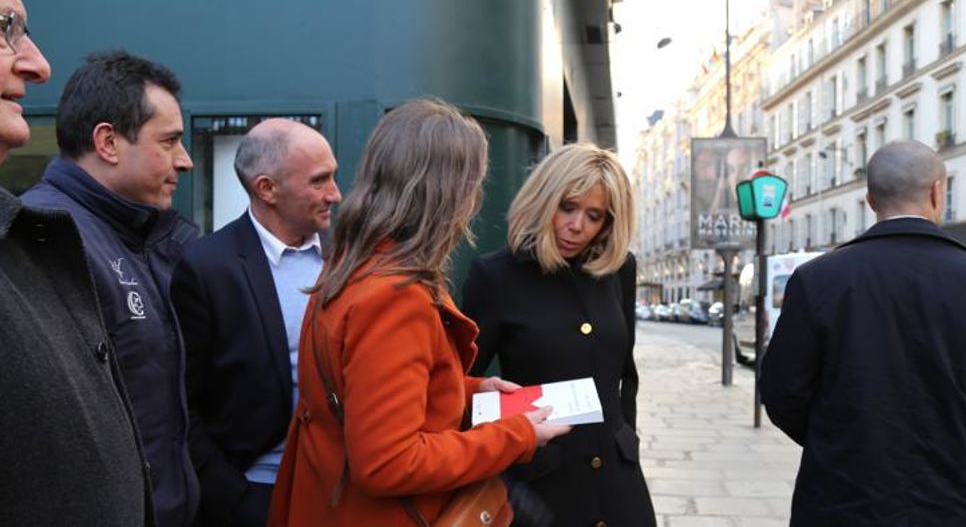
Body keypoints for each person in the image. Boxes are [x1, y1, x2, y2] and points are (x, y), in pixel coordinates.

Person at [268, 98, 569, 526]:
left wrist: (470, 390)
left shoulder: (352, 266)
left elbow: (367, 390)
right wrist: (516, 435)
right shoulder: (394, 296)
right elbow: (389, 461)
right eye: (472, 184)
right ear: (448, 193)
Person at [760, 139, 966, 525]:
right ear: (938, 191)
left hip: (837, 499)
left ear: (870, 200)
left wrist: (836, 438)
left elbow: (781, 391)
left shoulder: (816, 280)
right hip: (942, 502)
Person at [0, 0, 155, 525]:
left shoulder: (37, 243)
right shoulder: (60, 234)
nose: (38, 64)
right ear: (107, 141)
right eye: (5, 28)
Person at [21, 51, 199, 527]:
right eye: (170, 141)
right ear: (108, 142)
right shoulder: (45, 238)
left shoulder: (152, 238)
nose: (186, 161)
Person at [463, 143, 656, 526]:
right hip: (537, 489)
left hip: (620, 486)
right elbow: (456, 385)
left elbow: (625, 374)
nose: (577, 225)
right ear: (544, 198)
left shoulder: (618, 270)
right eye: (568, 206)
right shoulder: (497, 276)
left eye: (594, 215)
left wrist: (626, 441)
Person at [171, 118, 342, 526]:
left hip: (344, 488)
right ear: (266, 188)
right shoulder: (208, 267)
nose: (335, 193)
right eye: (319, 181)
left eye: (333, 176)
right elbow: (180, 401)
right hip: (256, 494)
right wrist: (233, 497)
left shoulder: (351, 255)